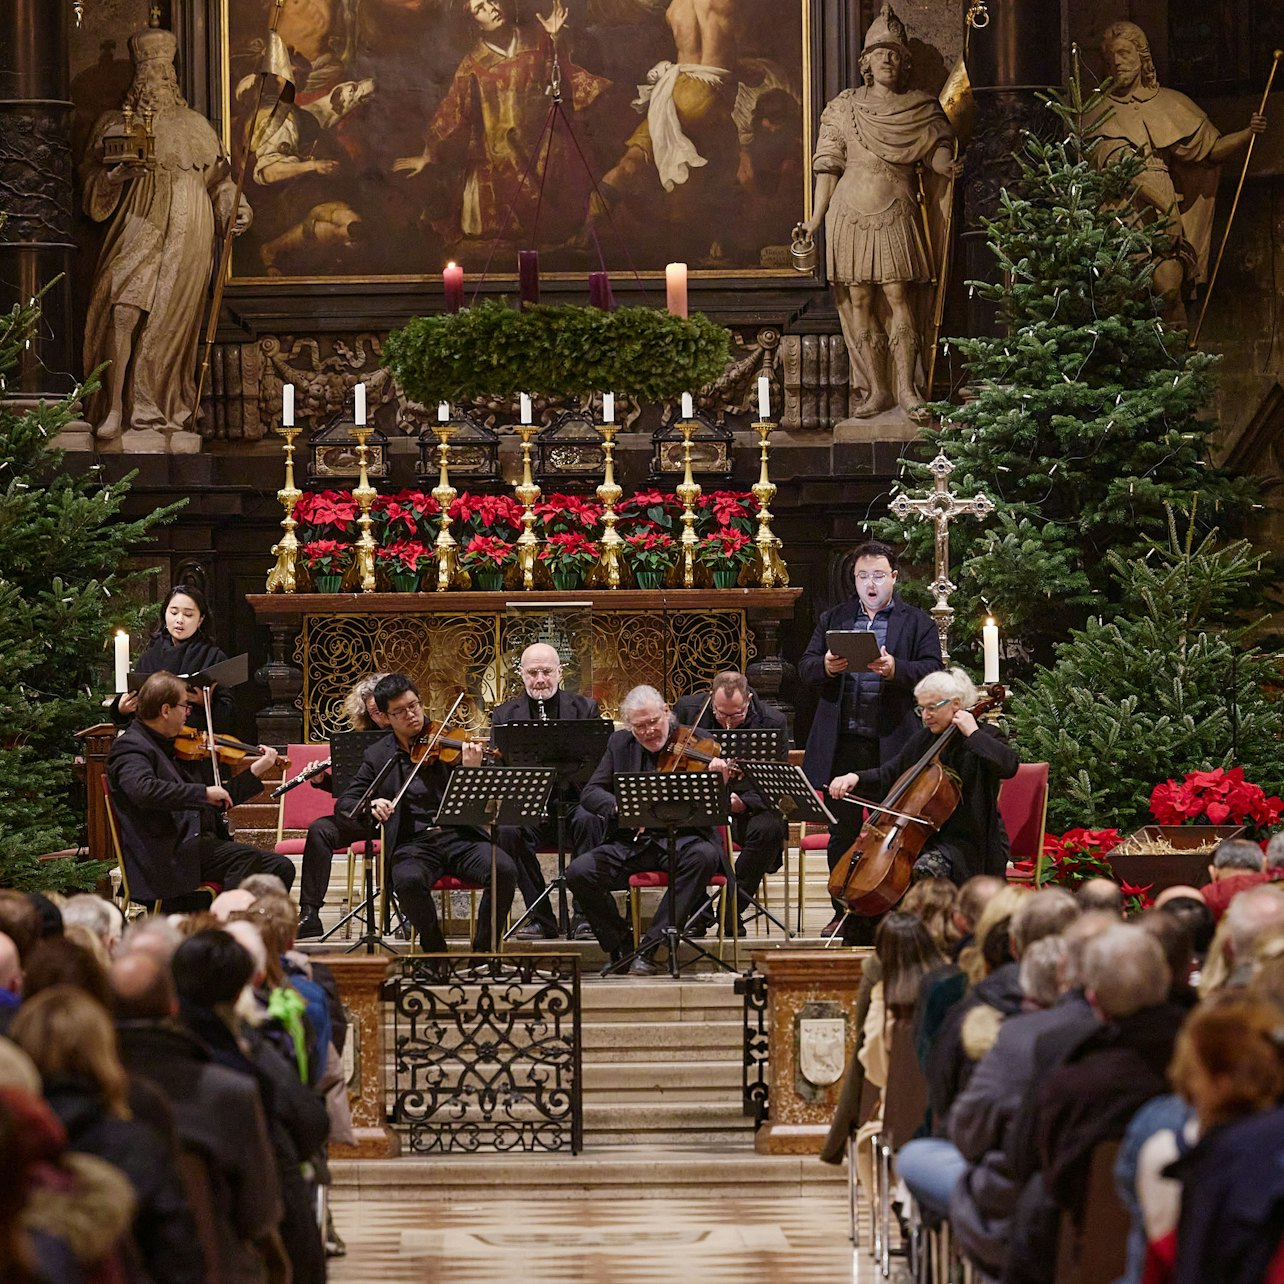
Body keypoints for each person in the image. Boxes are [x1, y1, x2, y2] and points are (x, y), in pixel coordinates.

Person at [81, 25, 251, 448]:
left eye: (167, 73)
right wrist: (114, 177)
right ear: (138, 79)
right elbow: (88, 182)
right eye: (153, 74)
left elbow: (220, 183)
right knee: (123, 307)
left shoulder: (197, 126)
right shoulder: (113, 125)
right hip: (140, 222)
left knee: (172, 324)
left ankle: (154, 412)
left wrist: (236, 207)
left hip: (189, 232)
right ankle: (114, 410)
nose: (162, 81)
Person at [797, 2, 957, 417]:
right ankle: (877, 388)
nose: (887, 59)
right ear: (865, 62)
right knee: (860, 299)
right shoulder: (842, 107)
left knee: (899, 294)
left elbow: (936, 149)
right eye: (878, 53)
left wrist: (945, 163)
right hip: (848, 212)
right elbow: (828, 167)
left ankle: (907, 389)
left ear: (904, 63)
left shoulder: (920, 106)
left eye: (894, 54)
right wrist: (814, 221)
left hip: (896, 207)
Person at [799, 540, 942, 938]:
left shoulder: (916, 623)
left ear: (894, 578)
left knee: (893, 831)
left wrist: (895, 668)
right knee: (841, 834)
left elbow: (933, 671)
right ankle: (842, 911)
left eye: (879, 575)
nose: (870, 584)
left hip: (892, 743)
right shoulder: (835, 617)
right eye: (863, 577)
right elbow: (805, 667)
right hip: (842, 742)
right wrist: (826, 666)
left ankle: (892, 910)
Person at [1090, 21, 1268, 328]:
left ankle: (1179, 361)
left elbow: (1208, 151)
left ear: (1142, 56)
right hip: (1123, 206)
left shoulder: (1170, 103)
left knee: (1170, 287)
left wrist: (1246, 134)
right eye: (1110, 57)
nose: (1116, 62)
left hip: (1163, 202)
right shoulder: (1098, 111)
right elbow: (1119, 167)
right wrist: (1165, 206)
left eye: (1124, 53)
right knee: (1127, 292)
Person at [392, 0, 609, 250]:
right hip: (501, 149)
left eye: (492, 0)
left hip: (543, 137)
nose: (492, 8)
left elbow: (560, 74)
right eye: (480, 8)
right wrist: (428, 155)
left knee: (560, 180)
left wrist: (556, 37)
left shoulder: (537, 40)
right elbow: (454, 109)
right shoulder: (473, 63)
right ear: (473, 21)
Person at [336, 673, 517, 953]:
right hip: (413, 844)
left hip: (460, 837)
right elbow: (347, 801)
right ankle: (434, 948)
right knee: (406, 880)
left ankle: (483, 951)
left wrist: (472, 771)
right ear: (385, 717)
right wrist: (371, 805)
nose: (411, 715)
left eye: (414, 706)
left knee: (503, 869)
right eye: (400, 711)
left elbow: (492, 795)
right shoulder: (378, 755)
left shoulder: (447, 740)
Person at [566, 684, 727, 975]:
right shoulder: (619, 744)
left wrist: (719, 782)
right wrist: (620, 807)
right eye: (639, 726)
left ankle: (653, 947)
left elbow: (718, 807)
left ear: (667, 712)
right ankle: (621, 945)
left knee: (703, 856)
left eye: (653, 722)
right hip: (634, 843)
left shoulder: (700, 741)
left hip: (683, 840)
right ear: (629, 726)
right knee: (579, 872)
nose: (649, 731)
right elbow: (591, 793)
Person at [106, 671, 295, 905]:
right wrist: (202, 793)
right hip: (167, 854)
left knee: (280, 867)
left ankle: (252, 930)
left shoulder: (169, 746)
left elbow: (214, 802)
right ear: (165, 710)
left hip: (191, 846)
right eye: (185, 706)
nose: (188, 713)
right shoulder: (132, 747)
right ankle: (223, 927)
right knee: (244, 859)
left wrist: (257, 769)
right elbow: (143, 790)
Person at [830, 666, 1018, 890]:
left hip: (971, 842)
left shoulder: (985, 735)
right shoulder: (923, 740)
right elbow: (890, 774)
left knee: (923, 870)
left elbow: (1009, 766)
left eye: (931, 708)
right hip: (927, 839)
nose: (926, 716)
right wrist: (855, 778)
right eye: (921, 709)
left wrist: (973, 733)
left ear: (956, 704)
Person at [489, 643, 606, 941]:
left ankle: (585, 916)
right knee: (508, 831)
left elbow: (598, 765)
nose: (540, 679)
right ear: (521, 674)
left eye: (546, 672)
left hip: (574, 800)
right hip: (532, 807)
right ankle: (541, 917)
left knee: (591, 819)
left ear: (559, 672)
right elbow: (499, 769)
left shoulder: (585, 709)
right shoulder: (504, 714)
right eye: (532, 673)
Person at [672, 670, 790, 937]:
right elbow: (674, 765)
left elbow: (777, 780)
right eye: (721, 713)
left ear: (748, 700)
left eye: (735, 715)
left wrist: (743, 802)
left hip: (750, 805)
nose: (727, 722)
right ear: (711, 698)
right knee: (682, 830)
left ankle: (732, 907)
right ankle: (698, 912)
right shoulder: (690, 710)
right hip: (703, 803)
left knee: (770, 829)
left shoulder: (773, 720)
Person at [297, 672, 390, 938]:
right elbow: (352, 787)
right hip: (364, 816)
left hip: (398, 817)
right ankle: (310, 913)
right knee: (320, 829)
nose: (381, 717)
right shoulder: (361, 742)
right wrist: (322, 779)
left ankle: (407, 912)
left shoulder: (409, 737)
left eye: (384, 710)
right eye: (374, 712)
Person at [113, 585, 235, 732]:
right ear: (165, 614)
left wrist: (207, 704)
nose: (179, 620)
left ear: (200, 620)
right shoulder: (150, 656)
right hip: (153, 743)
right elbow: (138, 712)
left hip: (196, 746)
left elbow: (231, 717)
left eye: (188, 615)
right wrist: (122, 709)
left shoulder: (214, 657)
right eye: (174, 612)